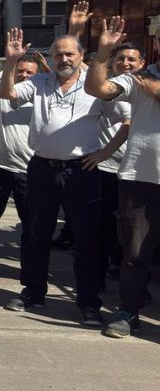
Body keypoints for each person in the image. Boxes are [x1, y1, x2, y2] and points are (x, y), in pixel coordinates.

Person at [0, 29, 106, 326]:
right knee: (36, 234)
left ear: (81, 57)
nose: (63, 59)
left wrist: (104, 153)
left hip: (80, 171)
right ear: (50, 58)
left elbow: (126, 119)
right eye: (58, 54)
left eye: (70, 53)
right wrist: (11, 62)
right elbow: (8, 94)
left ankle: (89, 303)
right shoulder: (39, 82)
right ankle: (32, 292)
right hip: (42, 168)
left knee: (86, 240)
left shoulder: (94, 86)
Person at [84, 17, 160, 338]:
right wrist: (102, 54)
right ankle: (128, 312)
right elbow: (96, 88)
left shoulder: (150, 83)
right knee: (134, 254)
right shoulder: (139, 78)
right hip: (140, 180)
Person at [0, 15, 41, 279]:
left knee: (30, 222)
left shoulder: (42, 95)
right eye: (20, 70)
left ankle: (29, 267)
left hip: (29, 170)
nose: (23, 75)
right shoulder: (1, 88)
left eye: (29, 73)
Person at [83, 41, 140, 278]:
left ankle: (124, 267)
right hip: (107, 169)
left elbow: (129, 124)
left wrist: (104, 152)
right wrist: (103, 154)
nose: (125, 63)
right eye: (120, 59)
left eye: (131, 60)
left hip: (134, 170)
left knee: (131, 225)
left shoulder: (143, 88)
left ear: (142, 63)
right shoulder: (112, 88)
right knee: (105, 221)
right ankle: (109, 265)